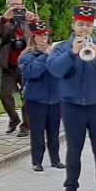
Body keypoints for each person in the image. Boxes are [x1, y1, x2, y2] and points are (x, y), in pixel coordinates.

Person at [46, 5, 96, 191]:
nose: (84, 29)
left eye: (88, 25)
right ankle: (71, 186)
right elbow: (55, 69)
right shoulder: (62, 47)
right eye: (80, 24)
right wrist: (72, 53)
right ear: (73, 25)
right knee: (74, 148)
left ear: (92, 27)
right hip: (72, 105)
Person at [18, 21, 64, 172]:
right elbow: (31, 72)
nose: (44, 37)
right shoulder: (27, 55)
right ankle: (37, 161)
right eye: (40, 35)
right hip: (36, 99)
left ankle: (55, 159)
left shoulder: (54, 52)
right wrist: (45, 56)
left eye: (45, 34)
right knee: (37, 131)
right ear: (33, 37)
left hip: (55, 98)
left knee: (54, 131)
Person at [0, 0, 31, 137]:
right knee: (4, 95)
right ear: (8, 7)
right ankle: (14, 119)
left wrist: (34, 19)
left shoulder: (28, 20)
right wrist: (4, 17)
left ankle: (26, 126)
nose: (17, 7)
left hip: (26, 65)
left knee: (27, 96)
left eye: (19, 4)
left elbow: (42, 35)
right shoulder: (4, 22)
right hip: (9, 65)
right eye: (13, 5)